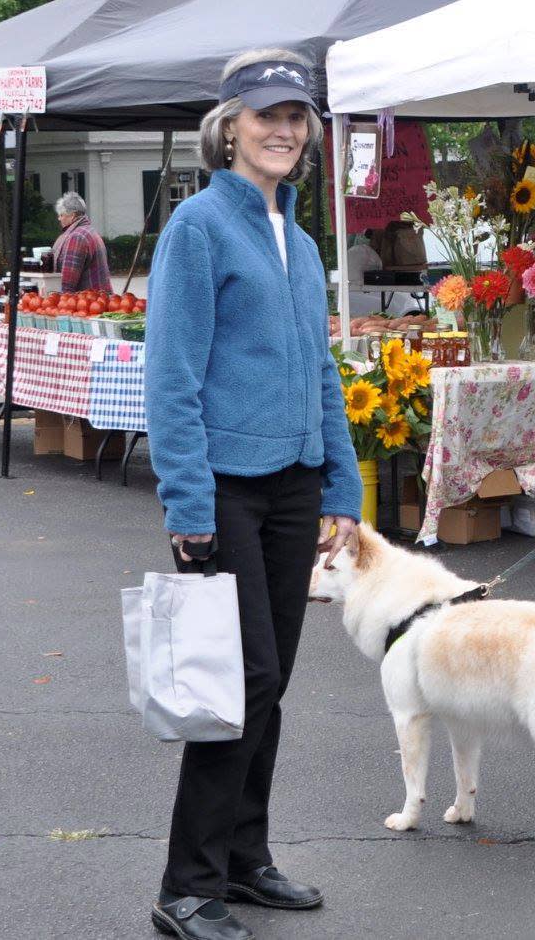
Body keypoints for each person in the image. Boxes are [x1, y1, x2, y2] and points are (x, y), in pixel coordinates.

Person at [144, 47, 361, 940]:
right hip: (225, 490)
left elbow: (318, 369)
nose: (282, 129)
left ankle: (244, 856)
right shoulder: (198, 227)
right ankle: (185, 886)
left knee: (270, 684)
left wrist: (340, 481)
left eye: (295, 116)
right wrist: (187, 504)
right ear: (228, 125)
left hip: (294, 484)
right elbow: (172, 378)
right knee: (238, 681)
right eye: (265, 114)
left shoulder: (302, 241)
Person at [52, 192, 111, 294]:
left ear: (73, 215)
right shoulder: (89, 231)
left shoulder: (77, 237)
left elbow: (67, 284)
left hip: (88, 303)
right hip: (100, 299)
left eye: (61, 214)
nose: (59, 218)